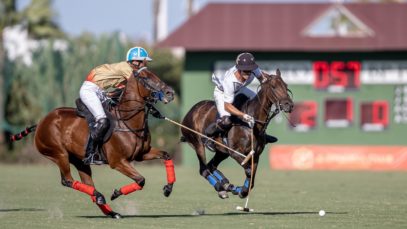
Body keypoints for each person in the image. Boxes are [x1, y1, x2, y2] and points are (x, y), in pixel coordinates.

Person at [79, 46, 152, 165]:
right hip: (90, 90)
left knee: (114, 118)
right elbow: (140, 85)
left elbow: (123, 91)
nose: (145, 65)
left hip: (101, 92)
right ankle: (89, 153)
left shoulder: (128, 71)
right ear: (135, 61)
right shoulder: (127, 68)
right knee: (102, 120)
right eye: (144, 62)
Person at [205, 52, 278, 151]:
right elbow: (227, 106)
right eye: (245, 70)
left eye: (250, 70)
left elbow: (262, 79)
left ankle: (262, 134)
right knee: (226, 120)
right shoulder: (230, 81)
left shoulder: (253, 68)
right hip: (222, 93)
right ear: (239, 68)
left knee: (259, 103)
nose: (248, 73)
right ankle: (211, 138)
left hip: (240, 89)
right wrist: (243, 115)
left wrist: (270, 81)